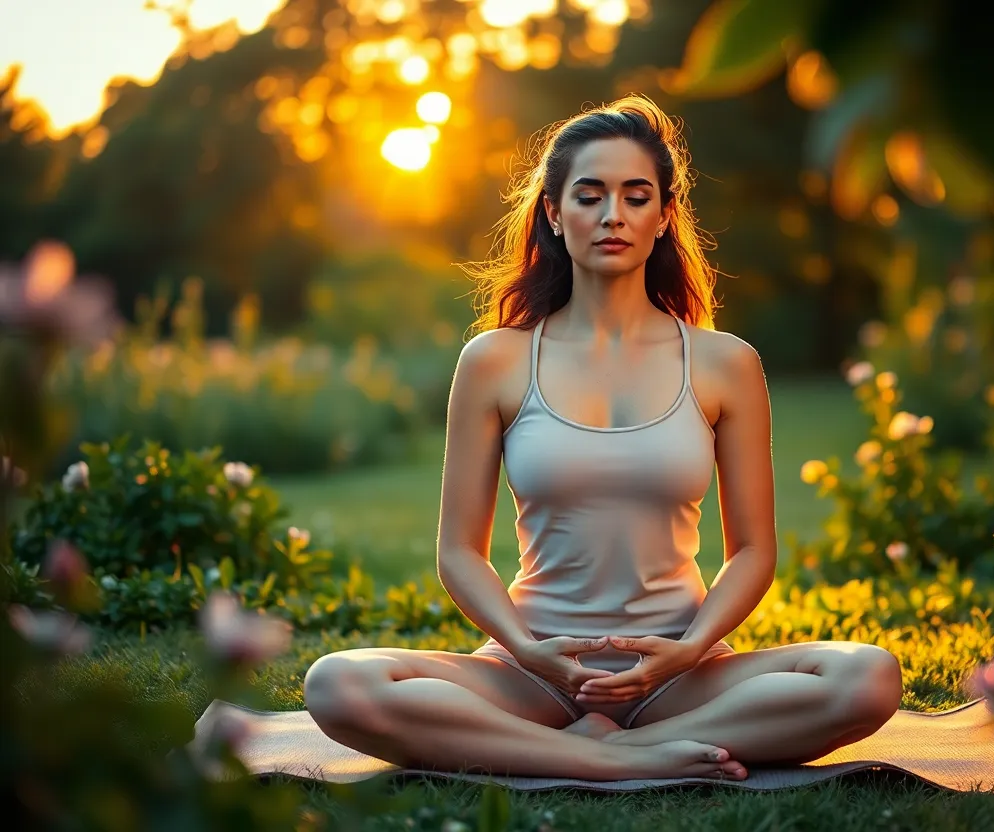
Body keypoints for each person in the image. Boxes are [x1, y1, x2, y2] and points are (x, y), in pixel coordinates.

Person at [303, 95, 902, 782]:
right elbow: (459, 554)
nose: (612, 214)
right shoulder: (496, 360)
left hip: (679, 669)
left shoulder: (724, 364)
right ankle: (605, 757)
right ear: (555, 214)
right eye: (589, 196)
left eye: (634, 196)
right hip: (534, 671)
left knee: (868, 678)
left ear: (664, 215)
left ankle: (619, 746)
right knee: (336, 684)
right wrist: (529, 650)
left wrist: (691, 648)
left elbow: (754, 552)